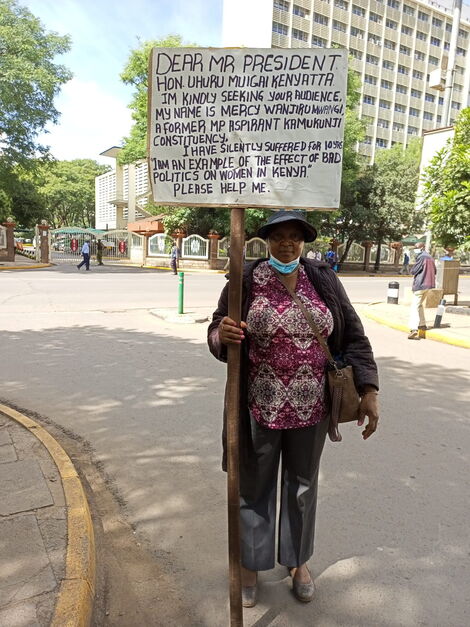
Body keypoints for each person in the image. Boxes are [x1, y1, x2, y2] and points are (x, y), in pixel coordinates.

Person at [207, 211, 379, 607]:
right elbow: (217, 328)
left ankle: (297, 562)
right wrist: (223, 334)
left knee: (302, 487)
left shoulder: (323, 278)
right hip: (258, 404)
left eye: (294, 237)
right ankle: (250, 564)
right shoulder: (246, 279)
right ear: (266, 241)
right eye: (279, 236)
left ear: (303, 242)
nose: (287, 243)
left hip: (311, 408)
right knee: (253, 486)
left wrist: (369, 389)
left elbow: (353, 335)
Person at [408, 242, 436, 340]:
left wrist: (411, 269)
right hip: (429, 285)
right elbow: (435, 271)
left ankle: (413, 329)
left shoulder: (421, 257)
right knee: (419, 305)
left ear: (422, 248)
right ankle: (422, 325)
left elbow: (414, 270)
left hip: (420, 285)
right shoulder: (430, 257)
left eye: (416, 247)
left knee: (414, 307)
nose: (415, 249)